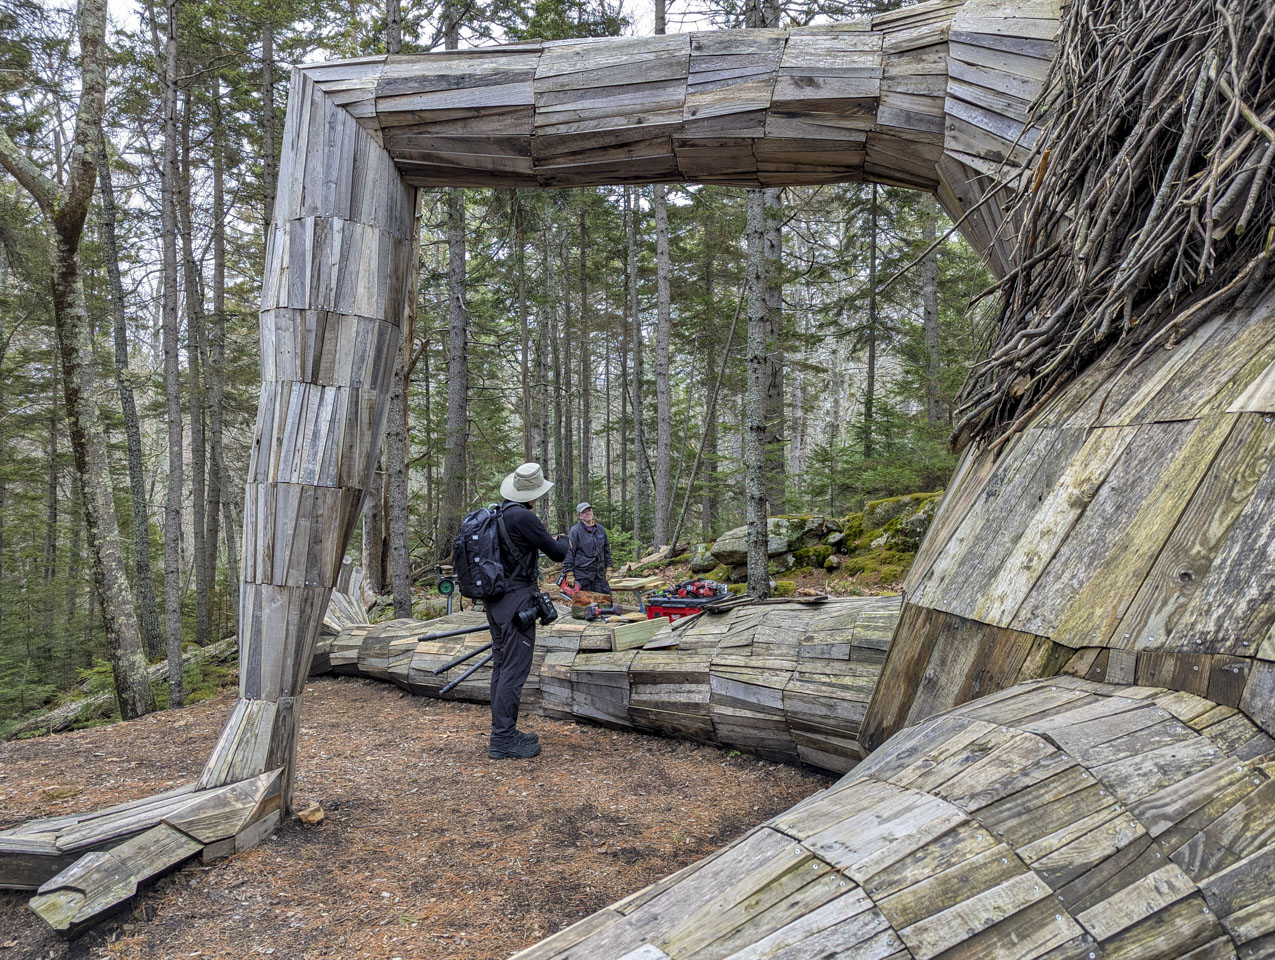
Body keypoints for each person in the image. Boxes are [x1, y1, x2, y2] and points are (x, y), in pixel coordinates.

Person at [485, 462, 567, 760]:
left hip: (496, 602)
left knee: (501, 666)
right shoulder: (523, 516)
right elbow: (557, 552)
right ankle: (503, 739)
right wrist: (564, 540)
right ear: (533, 494)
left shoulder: (499, 514)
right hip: (517, 600)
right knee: (514, 670)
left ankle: (503, 732)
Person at [562, 502, 612, 594]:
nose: (588, 513)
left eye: (589, 510)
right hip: (582, 575)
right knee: (583, 605)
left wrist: (609, 567)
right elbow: (569, 552)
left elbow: (606, 550)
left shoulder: (600, 529)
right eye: (584, 512)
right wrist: (569, 573)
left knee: (605, 602)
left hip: (599, 574)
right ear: (580, 516)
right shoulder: (575, 531)